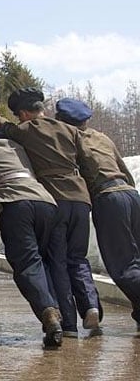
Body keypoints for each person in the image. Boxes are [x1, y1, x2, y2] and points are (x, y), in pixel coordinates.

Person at [0, 88, 101, 337]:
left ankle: (68, 324)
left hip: (54, 199)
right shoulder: (71, 130)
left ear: (26, 113)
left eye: (19, 115)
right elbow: (88, 162)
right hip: (80, 199)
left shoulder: (27, 129)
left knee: (57, 262)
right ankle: (91, 305)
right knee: (79, 258)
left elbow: (8, 130)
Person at [55, 97, 140, 331]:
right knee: (137, 260)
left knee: (123, 266)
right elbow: (123, 169)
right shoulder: (102, 137)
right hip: (130, 194)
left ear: (62, 120)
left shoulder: (70, 139)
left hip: (108, 198)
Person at [0, 130, 63, 347]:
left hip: (16, 203)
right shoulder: (20, 149)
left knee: (27, 263)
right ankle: (55, 312)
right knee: (43, 262)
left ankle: (48, 313)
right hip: (46, 202)